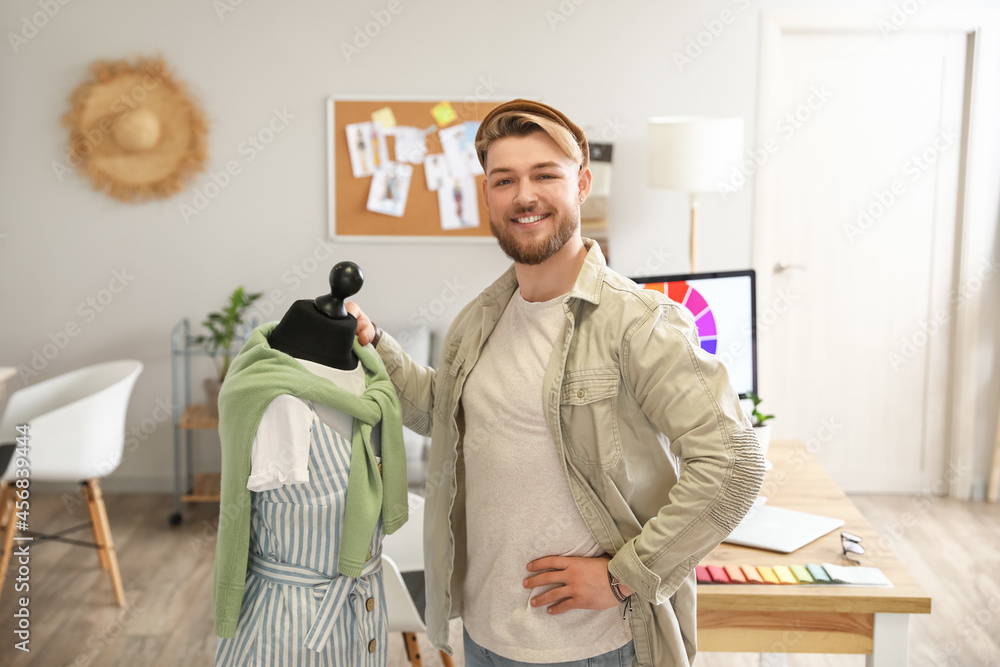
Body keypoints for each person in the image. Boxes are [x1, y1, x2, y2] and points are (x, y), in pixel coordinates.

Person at [346, 98, 766, 667]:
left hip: (592, 646)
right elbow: (444, 413)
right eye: (504, 179)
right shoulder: (481, 317)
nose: (524, 195)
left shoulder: (638, 322)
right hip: (485, 630)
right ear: (487, 195)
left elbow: (736, 463)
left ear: (582, 183)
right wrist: (375, 346)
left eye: (545, 174)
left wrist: (626, 577)